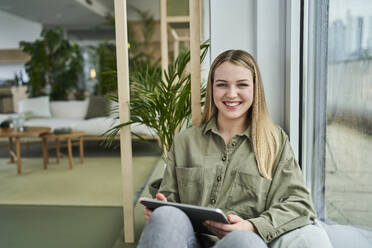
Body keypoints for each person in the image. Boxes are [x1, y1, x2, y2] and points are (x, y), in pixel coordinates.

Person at [138, 50, 333, 248]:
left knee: (243, 241)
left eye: (242, 85)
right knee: (165, 216)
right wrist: (160, 208)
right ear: (212, 89)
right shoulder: (185, 141)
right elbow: (170, 199)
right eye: (222, 85)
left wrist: (252, 227)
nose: (231, 94)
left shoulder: (275, 141)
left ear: (255, 89)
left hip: (241, 243)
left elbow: (299, 203)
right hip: (190, 241)